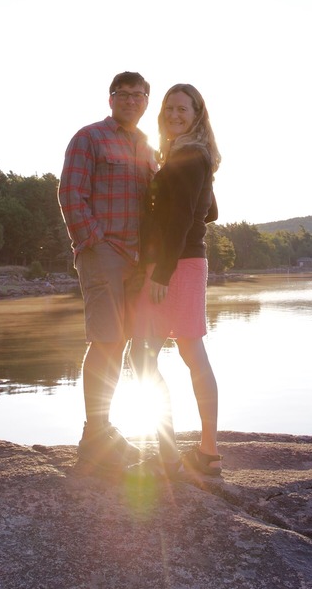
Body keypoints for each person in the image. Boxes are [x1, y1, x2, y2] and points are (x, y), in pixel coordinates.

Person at [58, 71, 159, 471]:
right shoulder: (90, 137)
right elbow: (70, 193)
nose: (132, 101)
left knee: (130, 345)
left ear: (147, 101)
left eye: (139, 95)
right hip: (104, 253)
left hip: (139, 261)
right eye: (124, 94)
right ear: (111, 98)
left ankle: (106, 430)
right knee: (105, 342)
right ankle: (95, 436)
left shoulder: (148, 146)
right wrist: (95, 242)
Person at [131, 83, 222, 477]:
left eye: (182, 109)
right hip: (186, 262)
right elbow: (210, 211)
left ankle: (171, 454)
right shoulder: (194, 155)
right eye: (169, 108)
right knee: (188, 354)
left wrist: (163, 271)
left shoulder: (186, 154)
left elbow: (185, 217)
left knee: (143, 355)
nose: (174, 114)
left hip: (174, 266)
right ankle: (207, 452)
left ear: (197, 114)